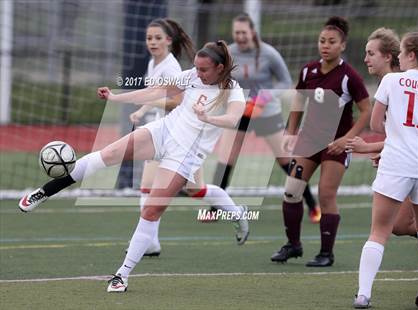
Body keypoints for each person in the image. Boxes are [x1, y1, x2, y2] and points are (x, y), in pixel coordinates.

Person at [19, 40, 249, 292]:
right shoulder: (192, 75)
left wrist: (208, 117)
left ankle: (122, 275)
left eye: (204, 69)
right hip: (163, 131)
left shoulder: (233, 90)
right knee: (106, 155)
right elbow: (154, 92)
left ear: (219, 67)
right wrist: (117, 97)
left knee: (152, 211)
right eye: (196, 67)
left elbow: (233, 118)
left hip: (185, 156)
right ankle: (43, 192)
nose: (198, 73)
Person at [128, 18, 250, 257]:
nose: (152, 42)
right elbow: (156, 95)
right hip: (164, 132)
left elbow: (176, 101)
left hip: (181, 137)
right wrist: (142, 109)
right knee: (192, 190)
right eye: (149, 37)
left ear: (168, 41)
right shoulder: (155, 64)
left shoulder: (172, 67)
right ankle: (151, 241)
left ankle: (151, 241)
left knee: (156, 187)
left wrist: (146, 104)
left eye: (157, 38)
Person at [270, 16, 371, 267]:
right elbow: (298, 100)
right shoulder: (308, 70)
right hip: (309, 141)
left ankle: (326, 253)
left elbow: (366, 111)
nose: (325, 45)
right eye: (322, 41)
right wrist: (290, 131)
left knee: (326, 195)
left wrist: (347, 139)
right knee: (292, 191)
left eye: (332, 42)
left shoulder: (349, 77)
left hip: (335, 145)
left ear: (343, 46)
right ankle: (293, 245)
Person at [208, 13, 321, 224]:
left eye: (244, 32)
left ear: (252, 32)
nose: (240, 36)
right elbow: (219, 78)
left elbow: (285, 81)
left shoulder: (269, 53)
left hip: (267, 113)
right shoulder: (229, 53)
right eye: (236, 33)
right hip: (240, 112)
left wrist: (262, 98)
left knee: (286, 160)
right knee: (226, 159)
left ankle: (312, 205)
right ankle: (214, 210)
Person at [353, 31, 418, 309]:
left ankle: (363, 295)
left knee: (379, 231)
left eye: (402, 53)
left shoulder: (392, 80)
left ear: (411, 55)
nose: (400, 58)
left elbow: (377, 124)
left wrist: (393, 133)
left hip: (396, 163)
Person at [346, 28, 418, 241]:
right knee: (398, 225)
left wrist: (367, 147)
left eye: (371, 53)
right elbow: (404, 136)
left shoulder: (395, 84)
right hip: (406, 159)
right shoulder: (390, 84)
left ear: (388, 56)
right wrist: (387, 152)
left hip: (411, 162)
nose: (365, 59)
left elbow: (408, 135)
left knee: (394, 226)